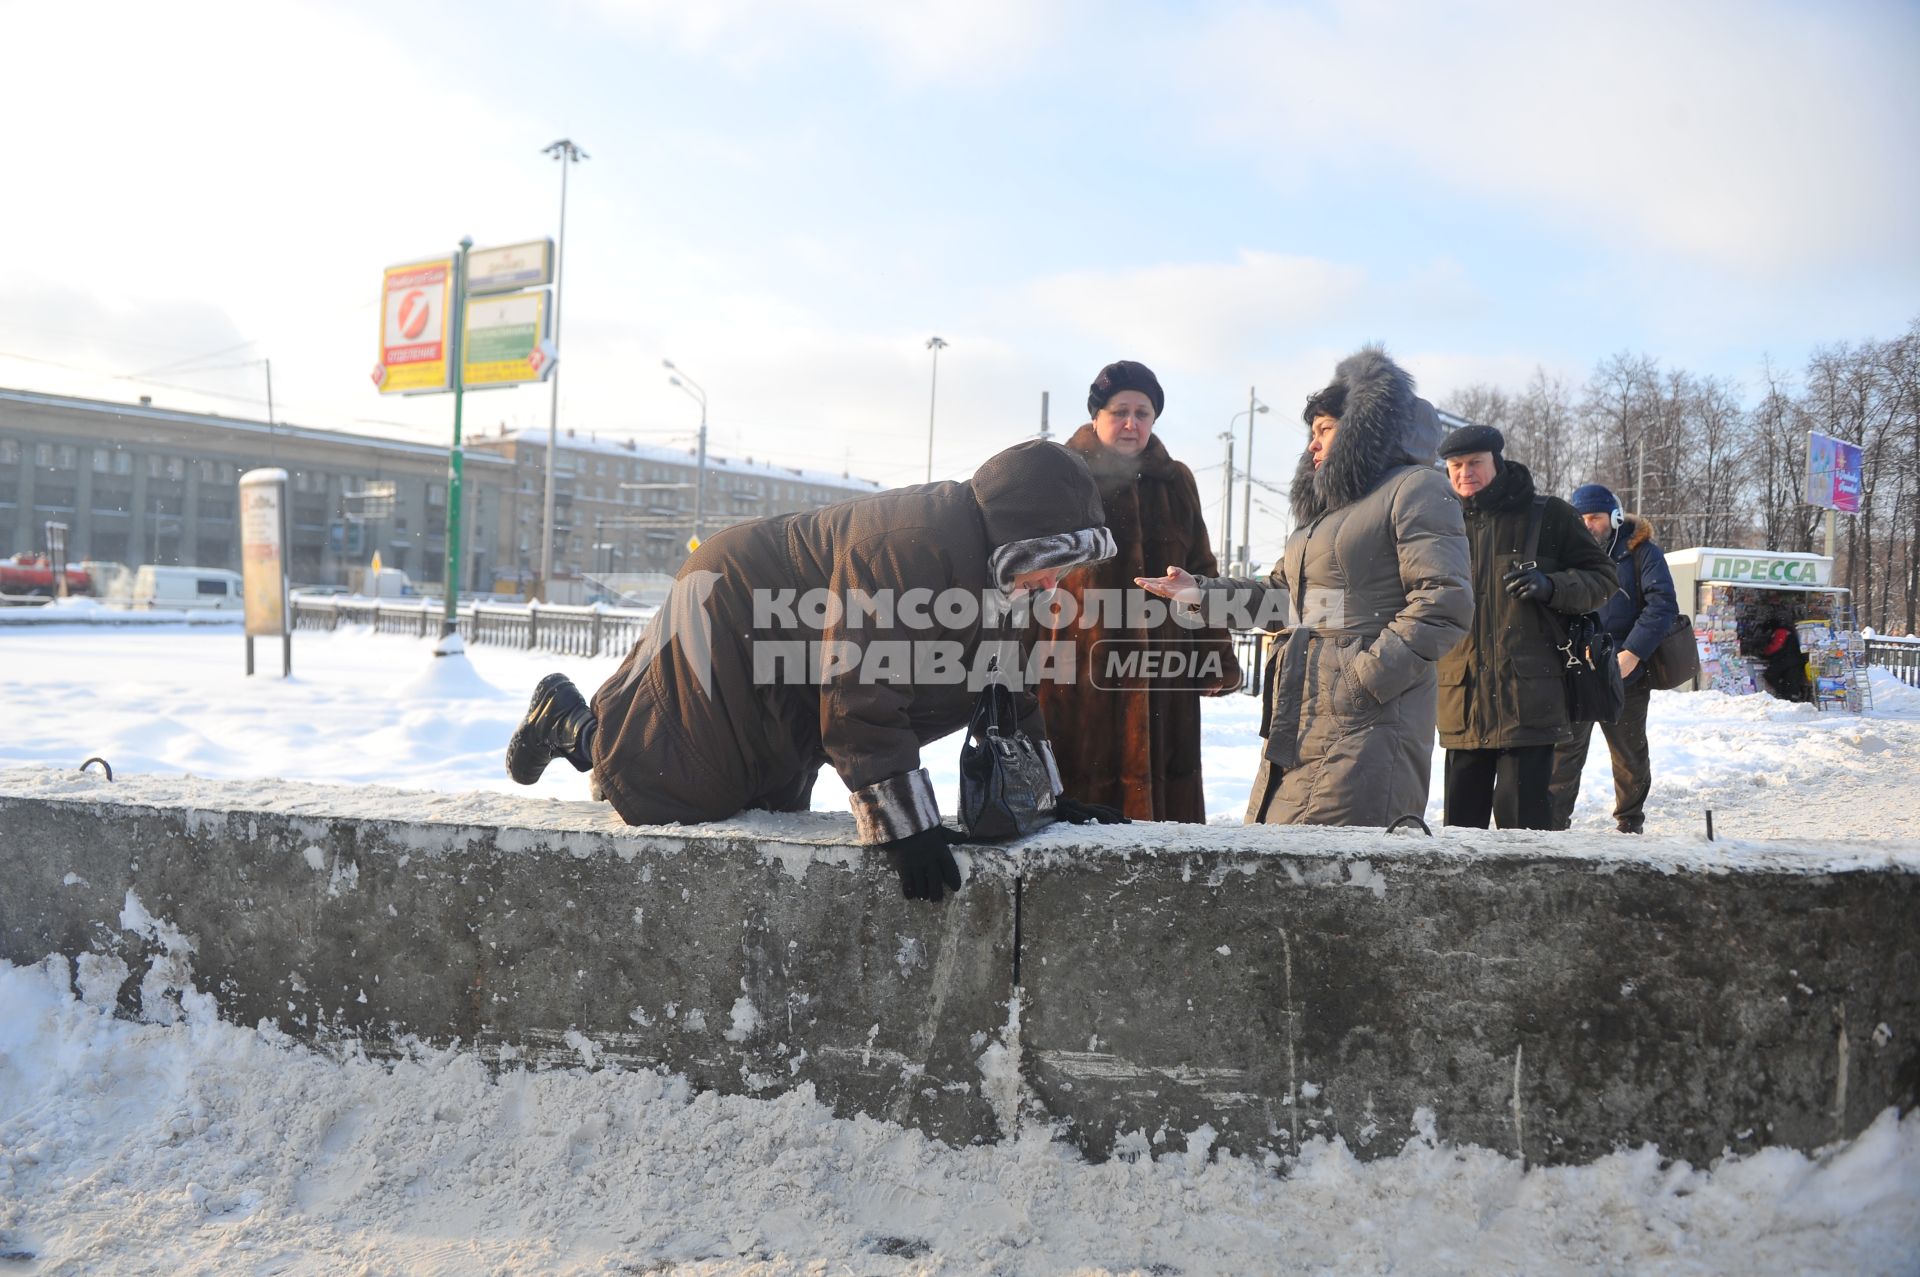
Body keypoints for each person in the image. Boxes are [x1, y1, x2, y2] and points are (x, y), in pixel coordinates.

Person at [504, 440, 1129, 903]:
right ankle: (570, 723)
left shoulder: (1003, 575)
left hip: (805, 637)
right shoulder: (908, 545)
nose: (1053, 584)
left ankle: (600, 735)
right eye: (1047, 562)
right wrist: (906, 828)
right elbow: (863, 688)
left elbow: (1007, 686)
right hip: (739, 600)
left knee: (767, 796)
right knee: (683, 785)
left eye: (1065, 569)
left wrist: (1045, 795)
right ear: (1014, 538)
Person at [1137, 346, 1472, 826]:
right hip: (1302, 720)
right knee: (1287, 869)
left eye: (1325, 430)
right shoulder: (1323, 517)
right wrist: (1199, 593)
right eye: (1311, 432)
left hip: (1369, 723)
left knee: (1338, 874)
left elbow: (1444, 602)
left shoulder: (1416, 488)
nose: (1312, 444)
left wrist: (1362, 680)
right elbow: (1283, 599)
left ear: (1364, 431)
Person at [1034, 360, 1240, 823]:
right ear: (1096, 415)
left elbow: (1202, 570)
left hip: (1165, 676)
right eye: (1119, 410)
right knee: (1078, 814)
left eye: (1143, 413)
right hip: (1076, 676)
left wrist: (1217, 656)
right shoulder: (1059, 477)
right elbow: (1027, 576)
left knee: (1166, 829)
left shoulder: (1177, 481)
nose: (1131, 423)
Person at [1437, 425, 1617, 830]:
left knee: (1524, 844)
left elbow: (1604, 578)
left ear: (1497, 463)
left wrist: (1553, 586)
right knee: (1458, 844)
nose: (1465, 473)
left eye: (1475, 463)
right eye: (1456, 465)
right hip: (1461, 702)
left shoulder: (1547, 515)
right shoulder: (1439, 523)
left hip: (1528, 703)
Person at [1548, 484, 1677, 834]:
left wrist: (1632, 653)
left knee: (1629, 754)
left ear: (1615, 518)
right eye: (1581, 518)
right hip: (1575, 671)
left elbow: (1662, 605)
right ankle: (1553, 827)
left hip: (1625, 673)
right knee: (1563, 755)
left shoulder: (1642, 553)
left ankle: (1629, 822)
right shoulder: (1564, 555)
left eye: (1595, 517)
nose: (1588, 525)